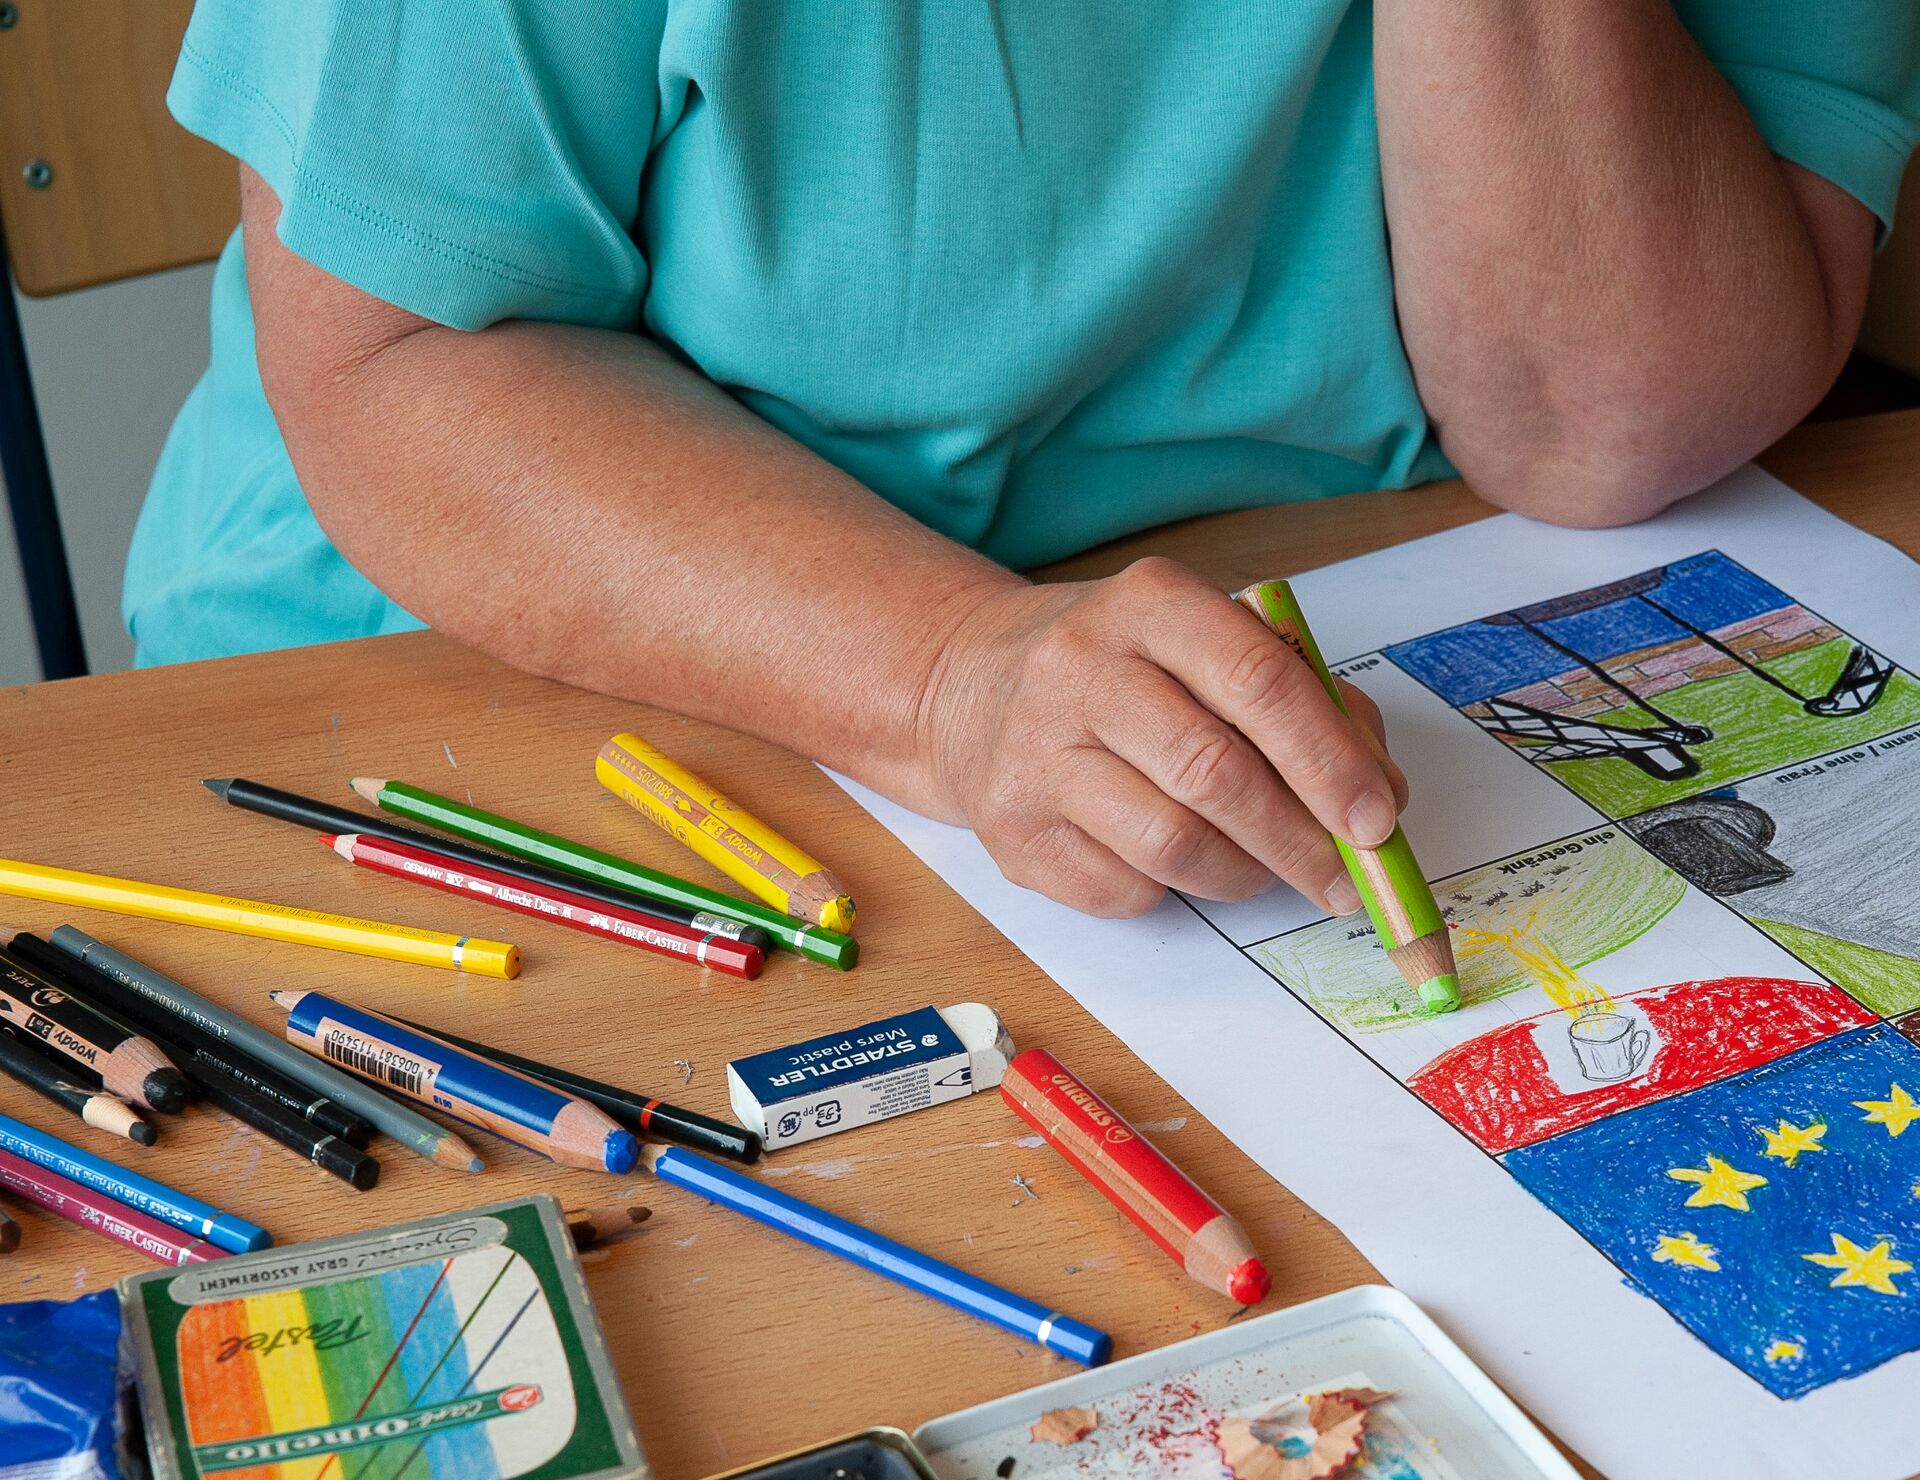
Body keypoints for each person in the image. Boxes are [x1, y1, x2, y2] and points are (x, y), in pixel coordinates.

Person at [129, 6, 1918, 919]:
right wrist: (949, 674)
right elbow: (399, 362)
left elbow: (1611, 418)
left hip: (1319, 631)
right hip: (513, 698)